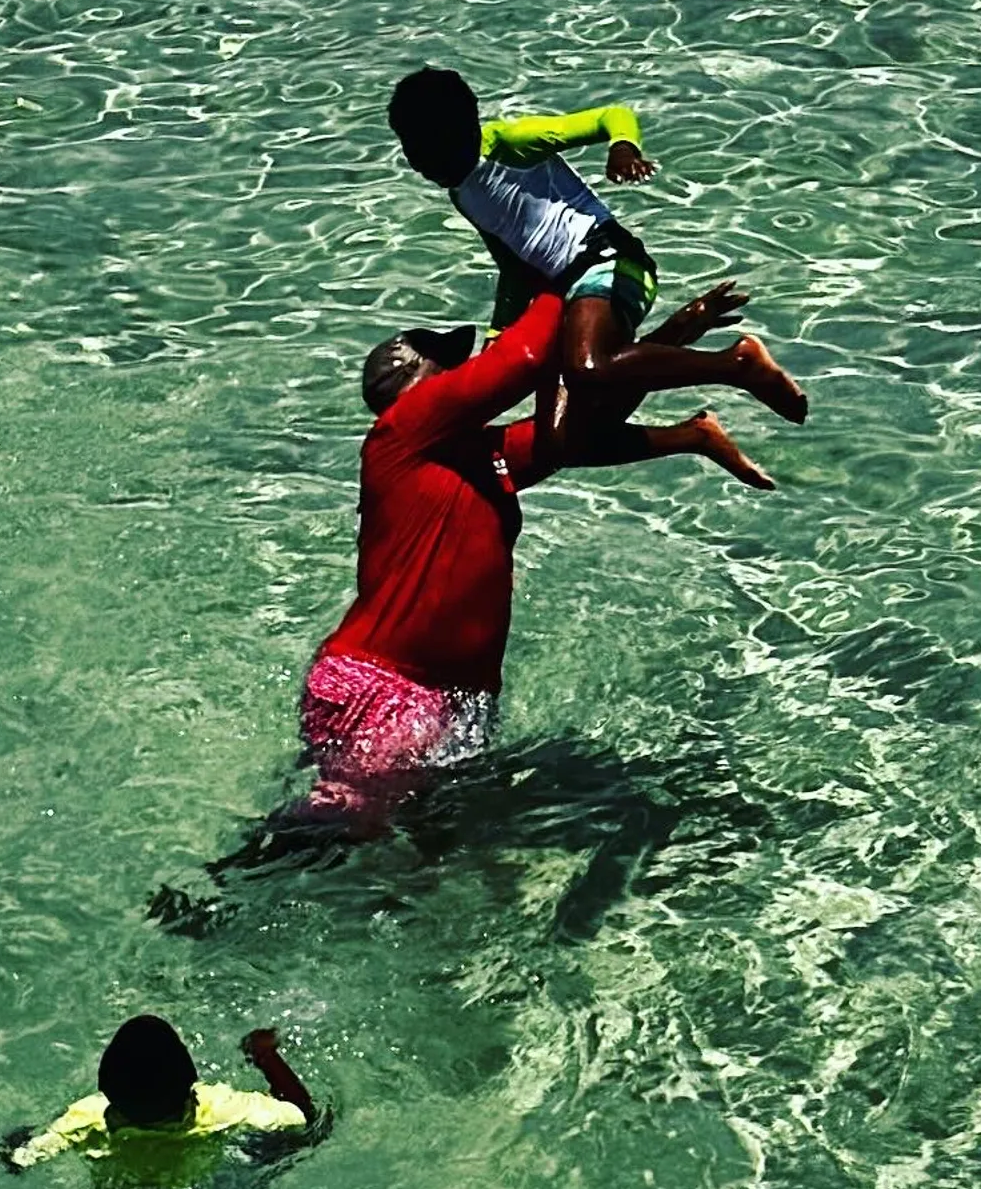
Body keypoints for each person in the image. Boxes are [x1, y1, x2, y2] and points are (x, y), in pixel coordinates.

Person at [300, 279, 772, 822]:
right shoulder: (398, 435)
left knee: (421, 847)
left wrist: (686, 331)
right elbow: (524, 356)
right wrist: (557, 275)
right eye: (449, 367)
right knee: (341, 833)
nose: (464, 373)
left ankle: (231, 890)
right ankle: (209, 900)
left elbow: (581, 427)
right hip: (385, 688)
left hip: (452, 700)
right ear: (415, 386)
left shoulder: (472, 457)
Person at [386, 68, 809, 462]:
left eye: (426, 151)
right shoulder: (462, 194)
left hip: (609, 258)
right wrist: (498, 333)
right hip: (567, 290)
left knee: (589, 367)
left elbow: (612, 115)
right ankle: (693, 396)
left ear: (465, 130)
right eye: (410, 151)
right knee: (562, 443)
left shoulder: (511, 142)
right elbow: (512, 265)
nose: (418, 164)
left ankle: (738, 364)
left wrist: (622, 147)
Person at [0, 1016, 322, 1189]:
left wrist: (15, 1140)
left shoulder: (89, 1118)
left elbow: (20, 1158)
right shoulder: (219, 1109)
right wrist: (264, 1055)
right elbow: (303, 1114)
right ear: (190, 1083)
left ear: (107, 1089)